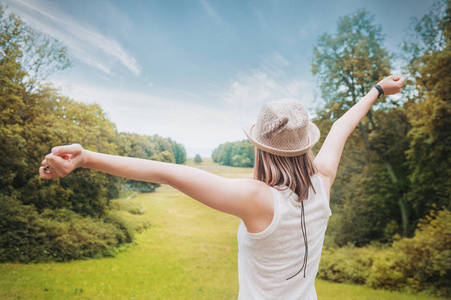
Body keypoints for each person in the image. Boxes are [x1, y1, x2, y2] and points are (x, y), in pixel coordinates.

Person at [40, 75, 405, 299]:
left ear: (261, 147)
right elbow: (342, 126)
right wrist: (377, 90)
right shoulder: (322, 182)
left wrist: (86, 158)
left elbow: (167, 172)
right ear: (306, 144)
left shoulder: (257, 199)